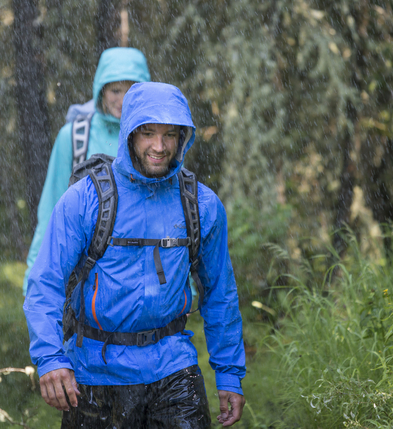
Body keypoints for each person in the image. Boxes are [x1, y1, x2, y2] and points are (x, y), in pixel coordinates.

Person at [23, 82, 246, 428]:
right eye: (147, 133)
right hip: (95, 372)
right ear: (128, 134)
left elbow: (220, 294)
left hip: (174, 368)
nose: (159, 147)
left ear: (183, 138)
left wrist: (229, 374)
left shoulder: (201, 206)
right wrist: (51, 359)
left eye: (170, 135)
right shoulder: (85, 200)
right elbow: (45, 283)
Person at [22, 47, 151, 295]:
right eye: (115, 90)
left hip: (141, 285)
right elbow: (51, 212)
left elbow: (171, 213)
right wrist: (35, 281)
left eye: (132, 90)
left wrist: (182, 284)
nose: (123, 100)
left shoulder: (156, 140)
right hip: (85, 283)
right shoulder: (74, 137)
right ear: (101, 90)